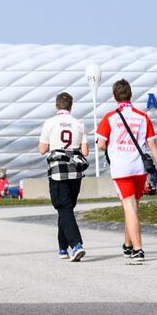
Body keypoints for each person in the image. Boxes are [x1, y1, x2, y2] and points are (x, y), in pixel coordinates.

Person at [96, 79, 157, 263]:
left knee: (129, 206)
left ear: (114, 96)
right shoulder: (143, 117)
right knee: (133, 206)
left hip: (121, 168)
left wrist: (111, 146)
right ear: (131, 95)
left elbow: (101, 143)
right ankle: (128, 244)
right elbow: (152, 143)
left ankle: (138, 249)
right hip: (139, 168)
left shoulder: (109, 117)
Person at [39, 92, 89, 262]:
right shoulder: (80, 124)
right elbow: (85, 152)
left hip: (58, 169)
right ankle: (62, 247)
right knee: (66, 208)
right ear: (71, 107)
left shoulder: (50, 123)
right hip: (75, 170)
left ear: (56, 106)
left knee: (63, 207)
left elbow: (42, 149)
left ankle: (76, 244)